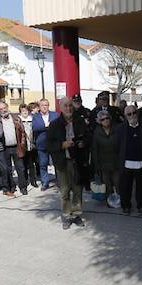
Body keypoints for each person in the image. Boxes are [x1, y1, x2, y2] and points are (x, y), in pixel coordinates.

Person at [46, 97, 89, 229]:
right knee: (64, 192)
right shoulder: (54, 124)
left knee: (77, 190)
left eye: (70, 105)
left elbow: (88, 136)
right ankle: (66, 216)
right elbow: (48, 145)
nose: (69, 108)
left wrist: (83, 143)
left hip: (77, 161)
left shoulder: (79, 121)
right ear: (60, 107)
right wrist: (62, 145)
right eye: (65, 106)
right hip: (62, 163)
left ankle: (76, 215)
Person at [116, 104, 142, 215]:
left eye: (134, 113)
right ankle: (126, 206)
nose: (132, 115)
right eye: (129, 114)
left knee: (141, 188)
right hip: (126, 163)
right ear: (125, 116)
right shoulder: (120, 129)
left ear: (137, 113)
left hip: (141, 163)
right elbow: (117, 146)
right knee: (125, 188)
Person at [0, 102, 28, 195]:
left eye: (4, 107)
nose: (3, 110)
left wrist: (23, 144)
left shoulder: (16, 118)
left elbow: (23, 132)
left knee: (20, 168)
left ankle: (23, 187)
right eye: (0, 109)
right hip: (4, 148)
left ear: (7, 107)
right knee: (7, 169)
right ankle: (11, 187)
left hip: (17, 146)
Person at [90, 110, 119, 205]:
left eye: (107, 118)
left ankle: (119, 200)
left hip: (116, 161)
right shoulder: (97, 132)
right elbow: (95, 149)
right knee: (107, 184)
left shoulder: (117, 129)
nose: (105, 120)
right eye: (102, 119)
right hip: (103, 163)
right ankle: (109, 201)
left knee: (118, 182)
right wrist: (96, 165)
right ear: (99, 121)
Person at [31, 99, 56, 190]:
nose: (44, 107)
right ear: (39, 107)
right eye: (42, 105)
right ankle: (45, 183)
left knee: (57, 164)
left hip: (54, 144)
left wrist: (46, 126)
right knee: (43, 164)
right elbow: (35, 127)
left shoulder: (54, 115)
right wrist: (46, 125)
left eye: (46, 105)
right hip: (41, 144)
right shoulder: (35, 116)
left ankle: (60, 182)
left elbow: (57, 126)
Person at [18, 103, 39, 188]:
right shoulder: (18, 120)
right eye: (23, 111)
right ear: (20, 112)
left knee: (31, 164)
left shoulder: (32, 119)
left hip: (31, 144)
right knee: (23, 164)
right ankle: (25, 180)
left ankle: (33, 181)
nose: (25, 112)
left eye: (26, 110)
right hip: (23, 145)